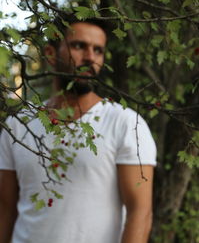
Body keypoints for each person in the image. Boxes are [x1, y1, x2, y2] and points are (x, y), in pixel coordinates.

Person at [0, 17, 157, 243]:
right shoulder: (19, 125)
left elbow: (140, 213)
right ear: (51, 54)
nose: (90, 57)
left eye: (98, 50)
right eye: (79, 46)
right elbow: (5, 210)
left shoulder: (124, 124)